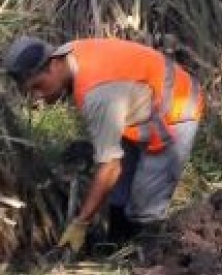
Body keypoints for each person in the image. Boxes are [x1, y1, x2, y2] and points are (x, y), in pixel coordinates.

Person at [3, 35, 205, 254]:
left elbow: (110, 167)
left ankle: (148, 260)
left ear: (53, 64)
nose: (37, 97)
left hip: (175, 108)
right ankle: (115, 246)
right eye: (29, 92)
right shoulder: (69, 54)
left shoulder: (97, 94)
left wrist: (81, 223)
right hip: (140, 103)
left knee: (145, 206)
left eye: (38, 86)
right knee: (119, 192)